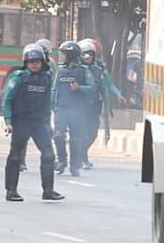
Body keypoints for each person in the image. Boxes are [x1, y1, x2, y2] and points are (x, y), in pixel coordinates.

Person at [1, 45, 64, 202]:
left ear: (43, 62)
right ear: (26, 62)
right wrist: (8, 121)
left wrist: (48, 122)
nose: (35, 64)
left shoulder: (47, 78)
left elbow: (47, 102)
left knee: (49, 155)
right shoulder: (18, 77)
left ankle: (48, 190)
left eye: (37, 61)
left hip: (38, 123)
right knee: (15, 156)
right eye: (31, 62)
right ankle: (11, 191)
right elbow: (6, 100)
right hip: (21, 121)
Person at [78, 38, 123, 170]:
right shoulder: (76, 69)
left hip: (94, 105)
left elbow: (107, 84)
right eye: (85, 54)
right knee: (81, 133)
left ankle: (81, 154)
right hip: (80, 106)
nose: (88, 57)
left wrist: (117, 95)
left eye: (91, 54)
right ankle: (82, 158)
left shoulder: (100, 68)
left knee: (92, 133)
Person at [52, 40, 95, 178]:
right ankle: (61, 161)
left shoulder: (83, 71)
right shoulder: (60, 70)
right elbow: (53, 89)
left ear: (71, 55)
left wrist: (79, 88)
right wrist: (51, 106)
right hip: (61, 109)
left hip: (78, 111)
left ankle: (75, 166)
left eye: (64, 54)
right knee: (58, 135)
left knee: (76, 139)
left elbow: (92, 88)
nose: (61, 56)